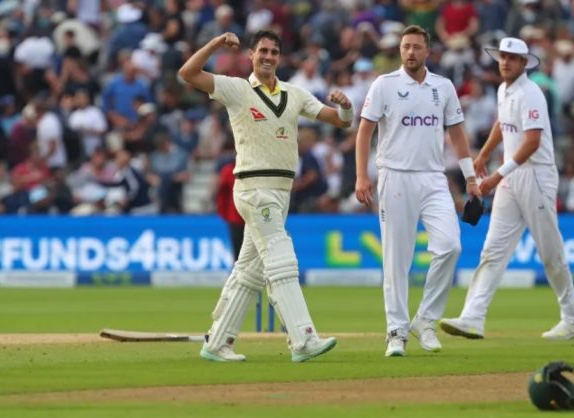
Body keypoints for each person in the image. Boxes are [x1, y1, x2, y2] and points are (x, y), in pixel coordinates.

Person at [178, 30, 353, 362]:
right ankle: (303, 339)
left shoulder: (294, 93)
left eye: (274, 51)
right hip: (253, 189)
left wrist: (345, 109)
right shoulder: (237, 89)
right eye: (262, 51)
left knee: (250, 271)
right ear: (251, 55)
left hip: (281, 192)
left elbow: (338, 121)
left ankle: (217, 342)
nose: (268, 57)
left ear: (280, 57)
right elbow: (187, 73)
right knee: (281, 260)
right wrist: (216, 43)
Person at [440, 37, 574, 341]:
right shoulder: (503, 90)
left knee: (550, 253)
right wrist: (483, 154)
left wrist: (496, 175)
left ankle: (573, 318)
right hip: (511, 177)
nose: (505, 62)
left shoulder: (531, 93)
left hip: (536, 176)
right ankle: (472, 317)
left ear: (524, 63)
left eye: (512, 58)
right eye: (502, 57)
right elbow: (502, 123)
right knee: (492, 250)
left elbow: (532, 143)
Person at [354, 25, 481, 357]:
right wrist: (362, 177)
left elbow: (457, 134)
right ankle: (396, 331)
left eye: (416, 47)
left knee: (450, 246)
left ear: (428, 51)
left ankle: (425, 320)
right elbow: (364, 131)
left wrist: (470, 178)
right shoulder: (384, 84)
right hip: (394, 176)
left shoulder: (443, 86)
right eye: (406, 47)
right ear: (400, 50)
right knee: (397, 261)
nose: (410, 52)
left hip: (433, 178)